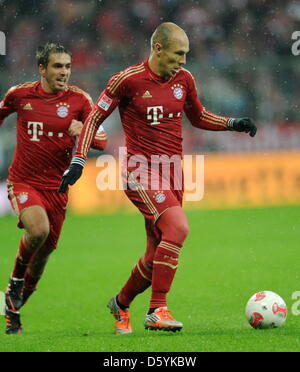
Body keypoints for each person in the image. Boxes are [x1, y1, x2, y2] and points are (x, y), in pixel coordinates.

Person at [59, 22, 257, 334]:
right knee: (177, 228)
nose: (184, 60)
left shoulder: (184, 79)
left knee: (155, 256)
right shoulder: (127, 80)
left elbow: (198, 116)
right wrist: (79, 159)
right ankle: (157, 309)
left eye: (187, 54)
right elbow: (95, 116)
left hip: (173, 172)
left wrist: (233, 122)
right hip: (139, 170)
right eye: (179, 53)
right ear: (158, 49)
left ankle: (121, 303)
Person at [0, 42, 108, 334]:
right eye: (57, 66)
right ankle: (14, 281)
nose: (64, 72)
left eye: (68, 66)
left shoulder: (79, 100)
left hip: (58, 190)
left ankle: (13, 309)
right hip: (24, 182)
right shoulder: (19, 95)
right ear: (42, 69)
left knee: (43, 256)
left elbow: (103, 140)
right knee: (38, 230)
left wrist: (84, 131)